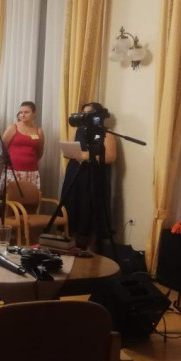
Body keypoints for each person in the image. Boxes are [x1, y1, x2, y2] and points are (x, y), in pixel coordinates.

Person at [61, 102, 116, 250]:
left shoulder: (106, 133)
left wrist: (86, 156)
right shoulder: (79, 131)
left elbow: (110, 156)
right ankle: (73, 246)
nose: (84, 116)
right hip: (75, 173)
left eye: (87, 113)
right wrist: (71, 152)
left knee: (90, 209)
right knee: (73, 207)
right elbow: (73, 149)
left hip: (93, 175)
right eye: (83, 113)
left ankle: (91, 249)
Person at [1, 101, 44, 188]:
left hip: (32, 171)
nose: (23, 115)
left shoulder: (39, 131)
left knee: (29, 195)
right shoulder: (13, 127)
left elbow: (40, 152)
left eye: (26, 112)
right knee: (11, 195)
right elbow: (3, 147)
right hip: (13, 170)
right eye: (21, 112)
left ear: (34, 113)